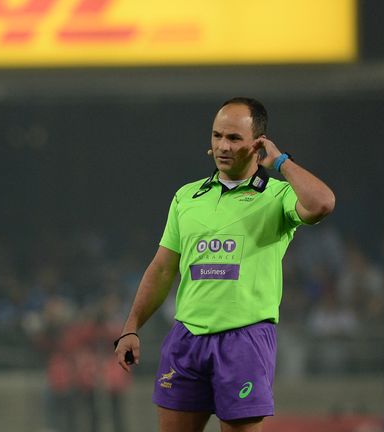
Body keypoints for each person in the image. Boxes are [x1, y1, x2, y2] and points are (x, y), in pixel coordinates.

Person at [114, 97, 335, 432]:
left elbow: (322, 203)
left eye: (234, 138)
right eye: (217, 136)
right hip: (187, 337)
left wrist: (282, 162)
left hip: (244, 340)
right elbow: (161, 269)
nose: (222, 146)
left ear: (258, 144)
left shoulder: (278, 196)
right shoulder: (186, 197)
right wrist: (131, 326)